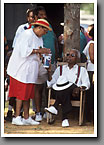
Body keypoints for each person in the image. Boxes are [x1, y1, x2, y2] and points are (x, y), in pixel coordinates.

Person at [7, 19, 52, 125]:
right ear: (39, 27)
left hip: (30, 70)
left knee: (28, 94)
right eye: (45, 31)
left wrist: (43, 54)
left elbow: (38, 50)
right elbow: (23, 51)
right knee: (20, 95)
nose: (45, 34)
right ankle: (17, 116)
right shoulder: (26, 34)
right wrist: (38, 51)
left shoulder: (39, 38)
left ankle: (26, 117)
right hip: (20, 69)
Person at [44, 49, 90, 127]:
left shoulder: (81, 70)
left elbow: (86, 83)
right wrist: (49, 72)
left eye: (72, 55)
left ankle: (55, 107)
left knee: (69, 87)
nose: (69, 57)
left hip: (74, 93)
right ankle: (64, 118)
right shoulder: (60, 69)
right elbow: (52, 82)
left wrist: (79, 88)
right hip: (61, 92)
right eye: (68, 55)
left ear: (77, 59)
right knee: (62, 88)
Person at [5, 8, 35, 122]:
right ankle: (11, 112)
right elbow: (16, 46)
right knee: (15, 91)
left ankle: (24, 115)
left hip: (28, 67)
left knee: (26, 93)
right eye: (31, 17)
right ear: (28, 18)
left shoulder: (37, 32)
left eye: (35, 17)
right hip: (19, 63)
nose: (33, 19)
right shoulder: (22, 29)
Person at [31, 6, 58, 121]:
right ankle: (38, 112)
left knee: (50, 87)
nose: (44, 17)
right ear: (36, 17)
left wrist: (56, 58)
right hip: (38, 62)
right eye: (41, 15)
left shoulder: (49, 27)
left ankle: (48, 110)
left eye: (44, 14)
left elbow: (54, 41)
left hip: (51, 62)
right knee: (38, 88)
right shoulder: (31, 30)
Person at [83, 26, 94, 122]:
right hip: (92, 71)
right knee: (91, 93)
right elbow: (93, 59)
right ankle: (88, 115)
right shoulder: (92, 43)